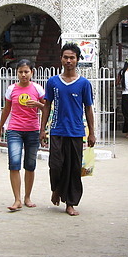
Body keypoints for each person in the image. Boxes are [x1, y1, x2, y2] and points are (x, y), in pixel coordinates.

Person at [40, 42, 96, 216]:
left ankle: (70, 203)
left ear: (77, 60)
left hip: (76, 132)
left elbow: (88, 108)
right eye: (66, 57)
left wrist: (92, 133)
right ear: (61, 59)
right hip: (57, 131)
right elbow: (47, 105)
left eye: (72, 57)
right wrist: (42, 129)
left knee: (73, 169)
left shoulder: (84, 84)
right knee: (55, 165)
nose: (69, 60)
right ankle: (56, 189)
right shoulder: (53, 82)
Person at [0, 59, 45, 211]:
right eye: (20, 72)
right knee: (14, 164)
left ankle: (27, 197)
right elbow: (6, 109)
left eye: (26, 72)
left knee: (30, 165)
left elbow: (47, 109)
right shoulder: (11, 89)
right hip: (14, 130)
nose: (23, 75)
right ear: (16, 73)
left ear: (32, 72)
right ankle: (17, 199)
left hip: (33, 131)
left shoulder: (38, 89)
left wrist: (39, 105)